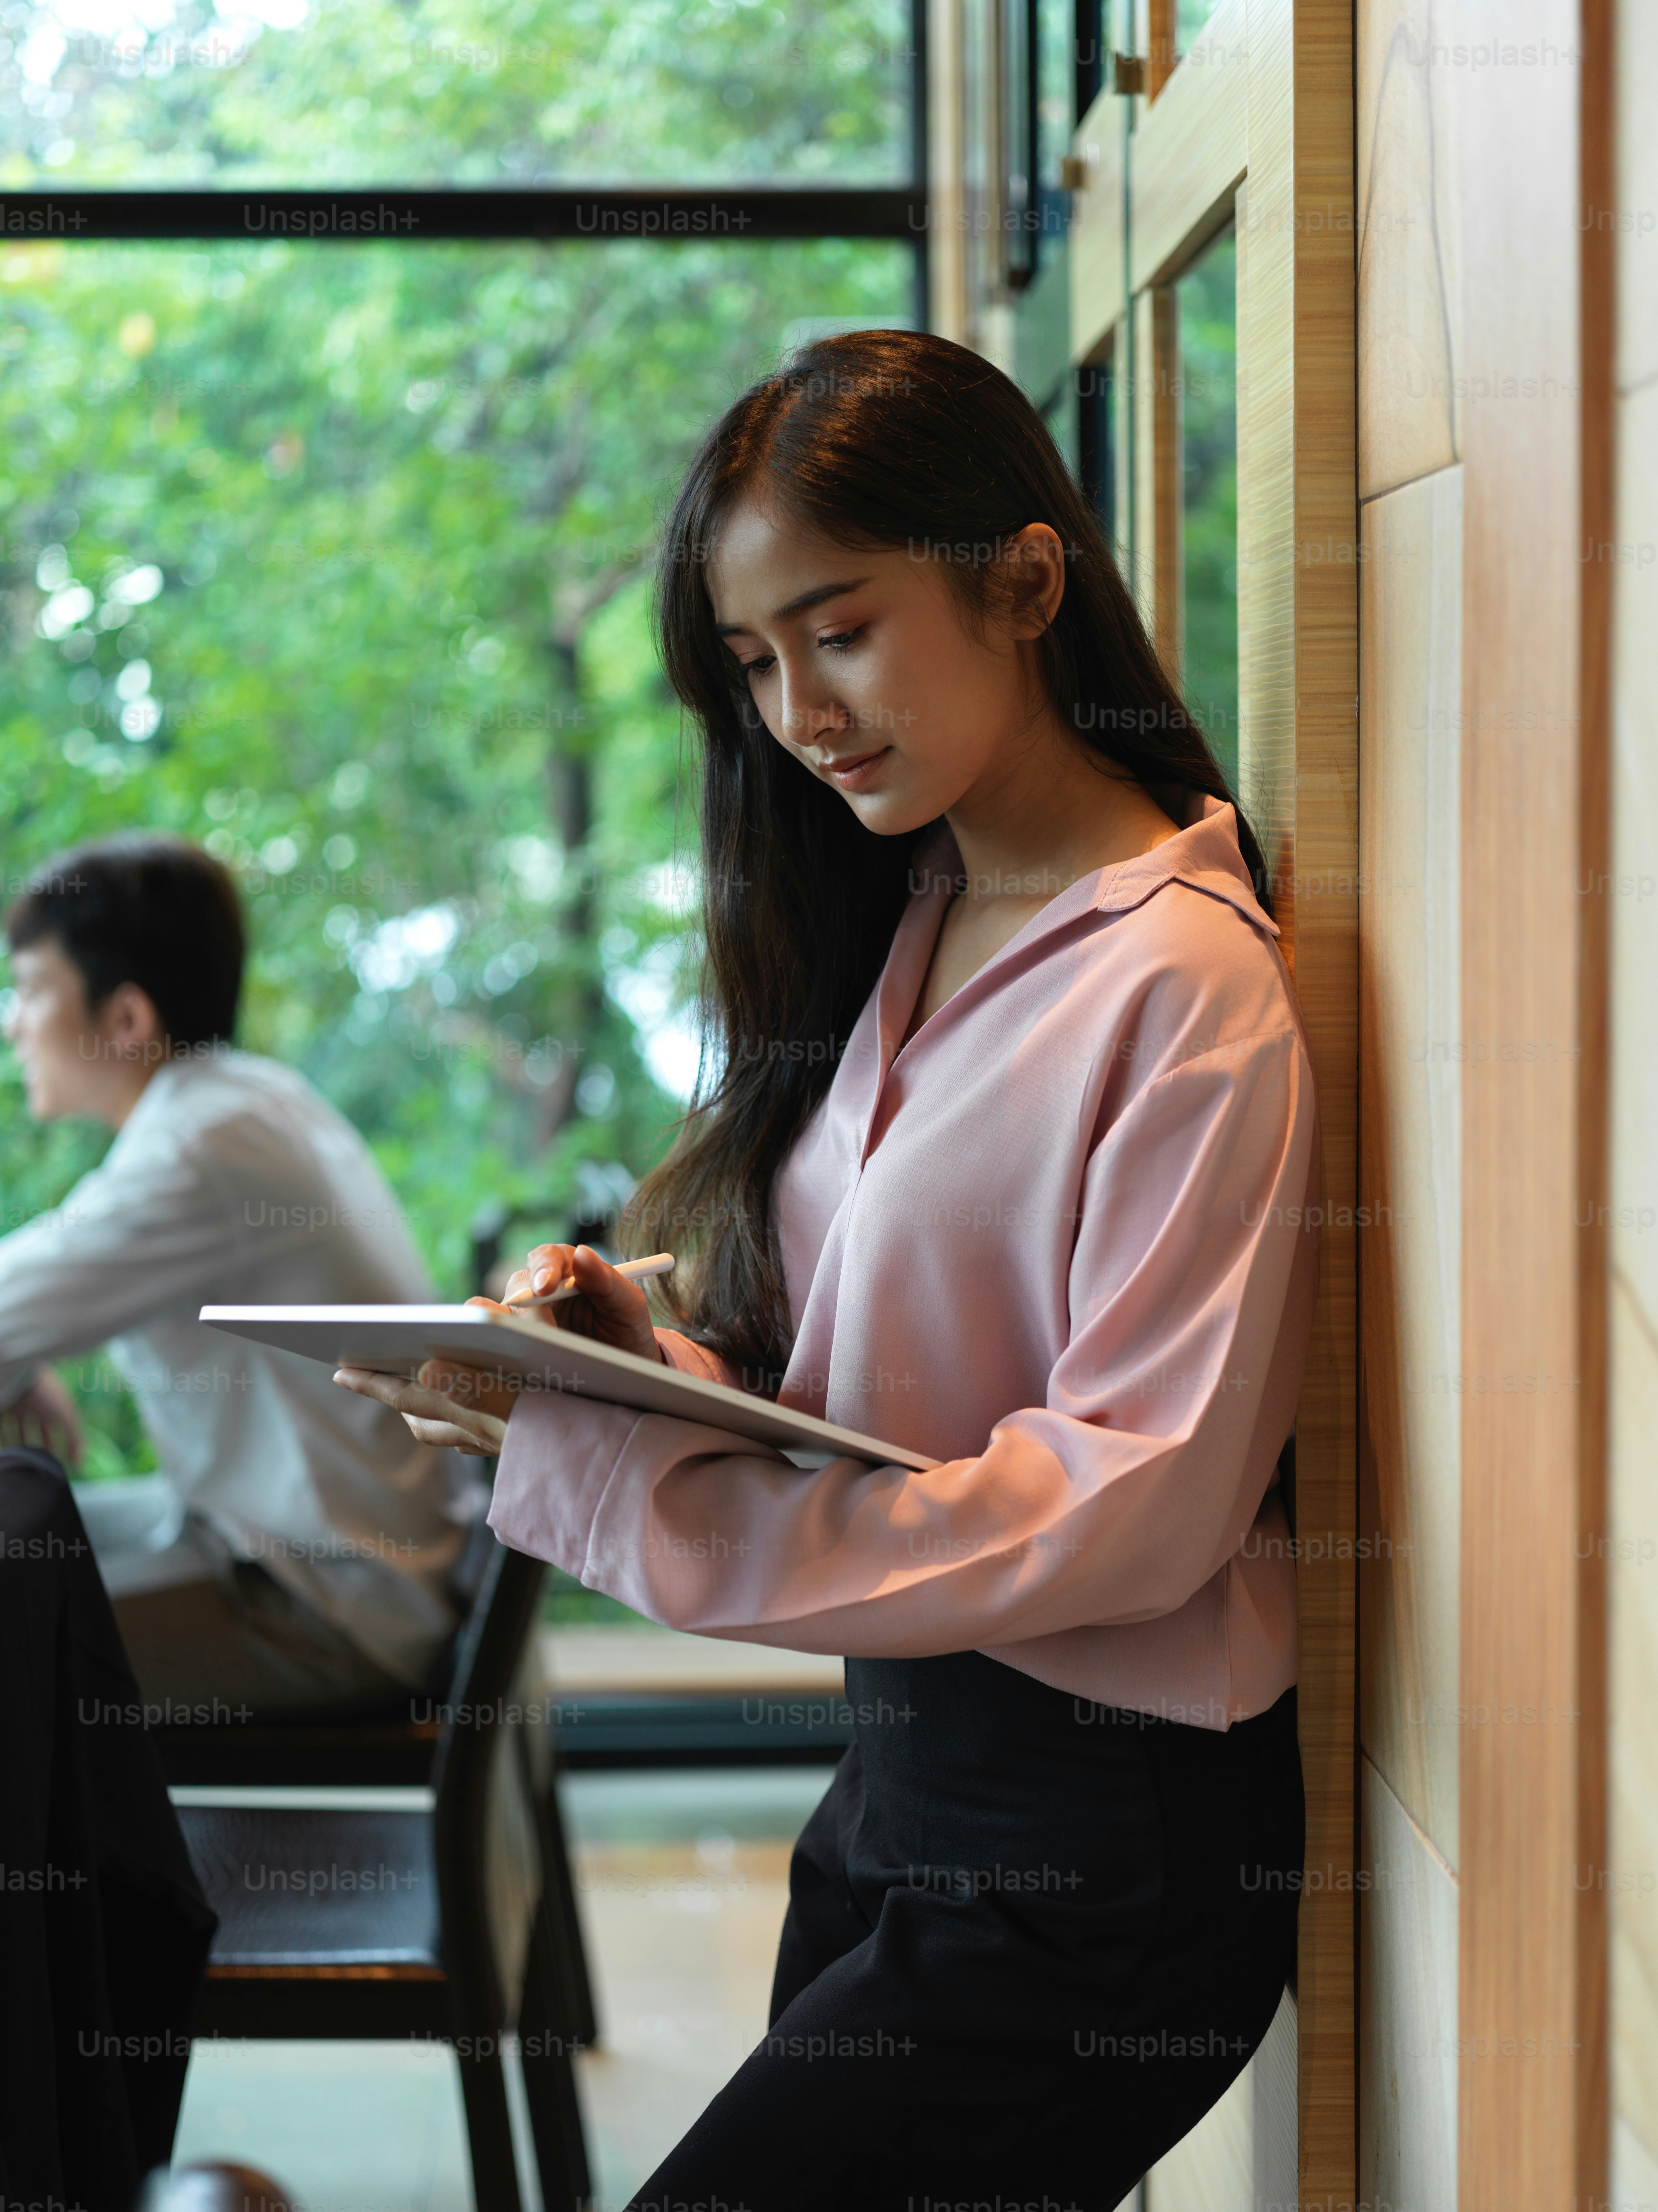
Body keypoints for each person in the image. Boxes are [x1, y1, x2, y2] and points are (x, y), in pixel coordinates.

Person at [338, 329, 1318, 2208]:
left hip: (1105, 1852)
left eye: (840, 628)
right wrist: (619, 1370)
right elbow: (888, 1404)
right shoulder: (924, 918)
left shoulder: (1184, 983)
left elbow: (1128, 1511)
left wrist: (650, 1490)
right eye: (755, 665)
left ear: (1025, 580)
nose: (802, 710)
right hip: (909, 1789)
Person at [0, 833, 480, 1715]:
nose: (11, 1021)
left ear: (127, 1020)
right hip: (344, 1562)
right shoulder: (246, 1101)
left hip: (322, 1605)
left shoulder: (198, 1148)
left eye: (31, 989)